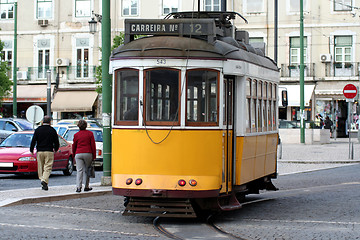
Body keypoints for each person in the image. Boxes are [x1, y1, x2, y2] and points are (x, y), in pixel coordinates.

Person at [30, 116, 59, 191]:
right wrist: (56, 149)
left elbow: (33, 140)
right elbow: (56, 141)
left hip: (40, 151)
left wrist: (31, 149)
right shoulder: (52, 130)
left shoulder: (38, 130)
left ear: (42, 121)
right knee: (48, 167)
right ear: (50, 122)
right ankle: (44, 180)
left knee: (40, 167)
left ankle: (43, 182)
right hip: (49, 151)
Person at [72, 119, 96, 193]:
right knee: (87, 170)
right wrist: (94, 156)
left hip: (78, 153)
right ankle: (86, 186)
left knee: (79, 170)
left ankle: (78, 187)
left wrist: (74, 154)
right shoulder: (90, 134)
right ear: (86, 126)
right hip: (88, 153)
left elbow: (74, 146)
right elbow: (93, 145)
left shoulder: (76, 135)